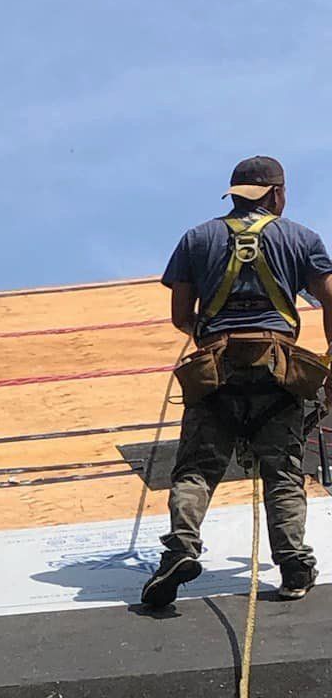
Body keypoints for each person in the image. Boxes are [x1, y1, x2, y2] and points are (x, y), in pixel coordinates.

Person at [141, 155, 332, 609]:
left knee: (195, 470)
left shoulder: (197, 238)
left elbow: (180, 316)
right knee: (282, 471)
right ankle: (292, 565)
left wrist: (213, 337)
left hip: (215, 369)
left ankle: (180, 550)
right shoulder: (301, 238)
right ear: (278, 194)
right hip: (278, 369)